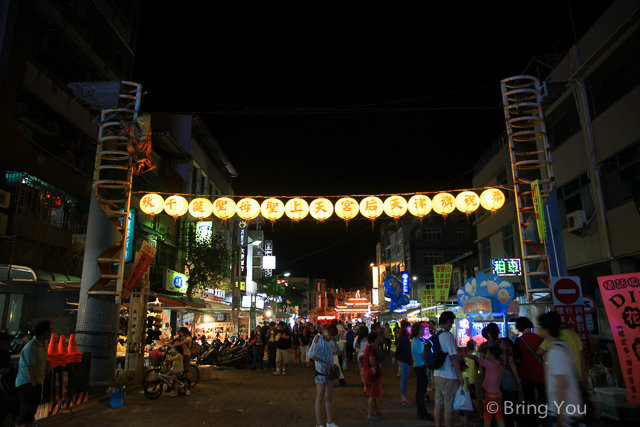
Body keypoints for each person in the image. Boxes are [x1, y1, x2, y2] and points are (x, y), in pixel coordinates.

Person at [538, 312, 582, 427]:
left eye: (539, 326)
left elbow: (562, 384)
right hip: (569, 407)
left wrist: (560, 414)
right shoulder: (563, 345)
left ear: (546, 329)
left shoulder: (555, 352)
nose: (538, 329)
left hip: (564, 410)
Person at [478, 323, 521, 427]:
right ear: (499, 332)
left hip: (491, 381)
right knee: (506, 407)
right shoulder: (506, 344)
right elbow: (511, 363)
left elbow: (481, 366)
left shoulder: (484, 346)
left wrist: (481, 378)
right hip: (506, 378)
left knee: (490, 409)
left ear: (488, 333)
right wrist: (517, 380)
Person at [16, 320, 52, 427]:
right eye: (50, 330)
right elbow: (30, 369)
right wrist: (35, 385)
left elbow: (40, 360)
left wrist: (47, 364)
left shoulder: (42, 345)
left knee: (31, 411)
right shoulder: (31, 347)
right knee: (26, 412)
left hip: (35, 383)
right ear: (45, 332)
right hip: (27, 384)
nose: (52, 332)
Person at [514, 317, 546, 427]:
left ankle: (532, 422)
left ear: (519, 327)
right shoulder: (540, 339)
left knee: (529, 399)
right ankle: (544, 421)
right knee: (543, 398)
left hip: (526, 373)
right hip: (541, 373)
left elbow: (517, 359)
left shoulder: (519, 341)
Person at [433, 311, 464, 427]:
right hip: (449, 376)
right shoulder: (447, 335)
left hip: (437, 374)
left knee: (438, 405)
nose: (451, 325)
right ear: (448, 321)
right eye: (451, 322)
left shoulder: (435, 334)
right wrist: (460, 375)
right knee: (449, 407)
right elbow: (453, 357)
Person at [462, 346, 505, 427]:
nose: (485, 354)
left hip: (491, 395)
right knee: (499, 417)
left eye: (487, 353)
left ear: (492, 355)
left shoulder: (490, 364)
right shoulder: (499, 366)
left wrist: (464, 354)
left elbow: (476, 358)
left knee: (487, 418)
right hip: (498, 395)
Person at [308, 324, 340, 427]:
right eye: (331, 335)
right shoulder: (318, 338)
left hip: (330, 371)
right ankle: (319, 424)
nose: (331, 337)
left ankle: (329, 422)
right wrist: (323, 362)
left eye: (333, 336)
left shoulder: (331, 341)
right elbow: (311, 354)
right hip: (320, 371)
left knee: (329, 397)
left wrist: (338, 351)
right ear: (325, 331)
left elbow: (336, 352)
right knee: (320, 397)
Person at [411, 323, 433, 421]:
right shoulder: (417, 342)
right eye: (421, 329)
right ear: (417, 331)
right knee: (421, 390)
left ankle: (421, 410)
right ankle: (422, 411)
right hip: (420, 366)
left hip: (418, 366)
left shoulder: (416, 341)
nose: (423, 331)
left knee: (421, 389)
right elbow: (424, 355)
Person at [393, 320, 415, 406]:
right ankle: (404, 398)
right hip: (403, 360)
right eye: (409, 327)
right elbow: (399, 348)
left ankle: (404, 397)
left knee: (404, 379)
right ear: (406, 328)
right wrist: (395, 356)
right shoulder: (403, 337)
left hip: (404, 359)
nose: (410, 328)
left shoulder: (405, 337)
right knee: (404, 380)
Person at [364, 331, 383, 420]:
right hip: (372, 375)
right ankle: (370, 414)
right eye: (376, 339)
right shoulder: (371, 349)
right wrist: (375, 367)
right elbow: (371, 358)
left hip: (368, 374)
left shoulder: (368, 347)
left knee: (373, 394)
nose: (378, 341)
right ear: (373, 340)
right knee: (372, 395)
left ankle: (375, 410)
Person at [0, 332, 11, 423]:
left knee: (3, 406)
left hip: (1, 382)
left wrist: (5, 370)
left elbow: (7, 368)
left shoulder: (5, 353)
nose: (3, 346)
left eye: (4, 344)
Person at [355, 325, 369, 396]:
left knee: (362, 372)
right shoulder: (369, 339)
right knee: (368, 372)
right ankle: (366, 388)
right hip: (368, 357)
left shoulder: (357, 339)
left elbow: (356, 350)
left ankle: (364, 386)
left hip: (360, 357)